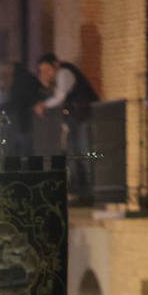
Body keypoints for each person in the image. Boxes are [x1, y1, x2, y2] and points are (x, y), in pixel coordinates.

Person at [35, 53, 99, 203]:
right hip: (74, 119)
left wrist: (44, 105)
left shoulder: (65, 73)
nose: (46, 74)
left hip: (84, 116)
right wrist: (46, 83)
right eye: (42, 71)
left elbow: (60, 97)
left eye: (47, 70)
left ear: (56, 64)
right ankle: (79, 191)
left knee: (84, 152)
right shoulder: (56, 77)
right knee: (72, 153)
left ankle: (90, 191)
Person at [0, 56, 43, 157]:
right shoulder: (11, 82)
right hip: (21, 127)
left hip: (25, 127)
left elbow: (15, 104)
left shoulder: (20, 81)